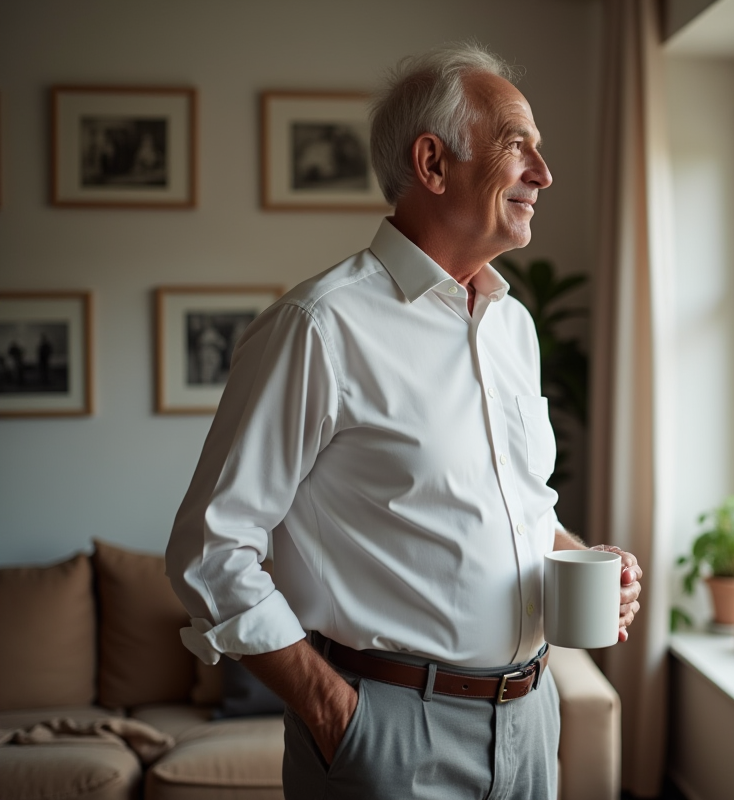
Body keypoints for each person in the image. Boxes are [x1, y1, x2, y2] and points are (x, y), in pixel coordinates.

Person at [166, 42, 642, 800]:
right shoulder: (318, 326)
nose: (543, 175)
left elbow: (520, 504)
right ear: (433, 162)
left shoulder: (512, 325)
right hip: (389, 737)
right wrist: (336, 713)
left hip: (531, 719)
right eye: (518, 145)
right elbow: (210, 548)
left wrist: (586, 560)